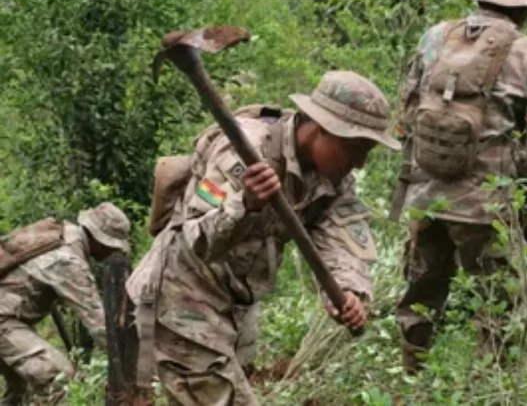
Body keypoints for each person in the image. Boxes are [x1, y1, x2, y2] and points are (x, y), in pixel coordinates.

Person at [127, 70, 401, 405]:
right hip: (184, 298)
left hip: (237, 306)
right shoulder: (244, 150)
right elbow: (194, 242)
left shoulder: (334, 178)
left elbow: (339, 237)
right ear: (320, 130)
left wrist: (349, 291)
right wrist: (245, 204)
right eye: (355, 148)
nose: (359, 163)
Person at [393, 0, 527, 374]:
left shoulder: (434, 37)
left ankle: (410, 376)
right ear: (524, 9)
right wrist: (520, 203)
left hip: (425, 193)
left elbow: (405, 111)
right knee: (497, 299)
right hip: (486, 204)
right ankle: (489, 384)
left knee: (421, 288)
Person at [0, 202, 131, 404]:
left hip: (10, 318)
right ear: (99, 239)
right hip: (4, 321)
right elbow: (100, 326)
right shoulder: (69, 261)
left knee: (21, 388)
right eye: (111, 246)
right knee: (58, 378)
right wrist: (133, 364)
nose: (110, 253)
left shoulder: (62, 233)